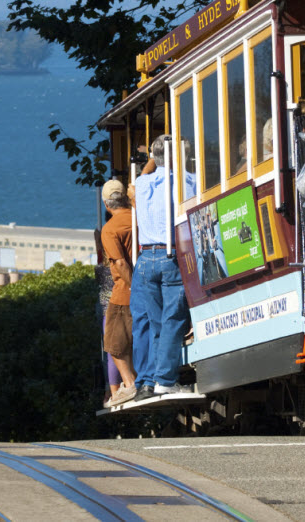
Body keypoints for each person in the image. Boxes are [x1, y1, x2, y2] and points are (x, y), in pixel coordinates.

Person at [131, 135, 195, 400]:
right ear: (177, 157)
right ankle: (166, 380)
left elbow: (151, 168)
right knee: (173, 319)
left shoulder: (141, 183)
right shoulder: (186, 182)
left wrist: (159, 157)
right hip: (170, 256)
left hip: (145, 258)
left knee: (156, 321)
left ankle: (151, 380)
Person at [100, 179, 137, 406]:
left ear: (106, 204)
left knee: (113, 342)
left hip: (125, 290)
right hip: (149, 283)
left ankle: (129, 383)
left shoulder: (110, 229)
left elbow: (121, 263)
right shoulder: (137, 218)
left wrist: (134, 286)